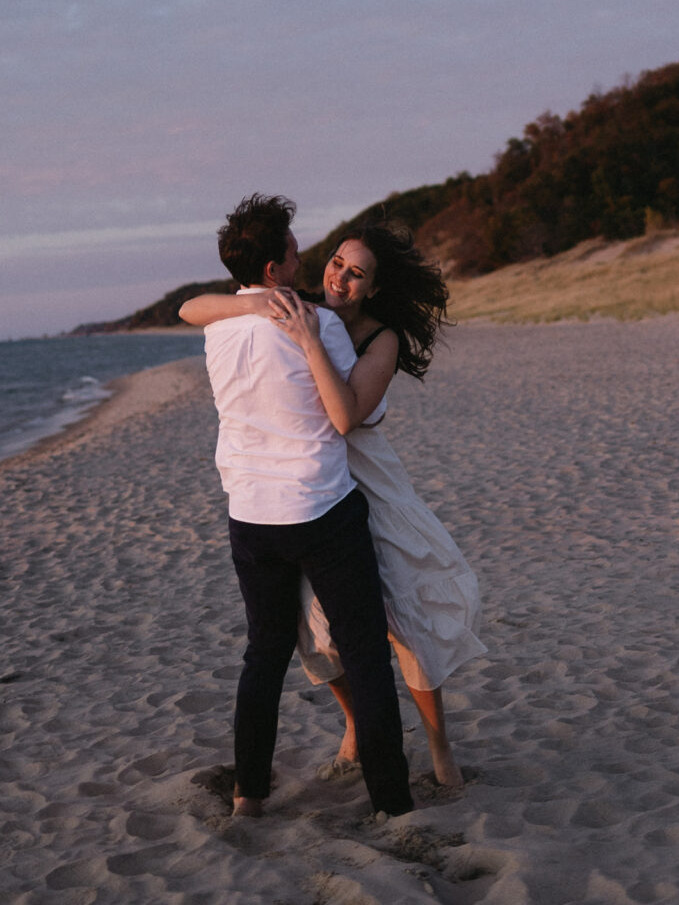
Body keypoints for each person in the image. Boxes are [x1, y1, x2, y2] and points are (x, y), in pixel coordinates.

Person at [181, 219, 486, 789]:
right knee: (317, 632)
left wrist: (306, 338)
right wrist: (257, 306)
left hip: (365, 483)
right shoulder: (296, 305)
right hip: (314, 490)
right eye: (337, 265)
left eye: (357, 274)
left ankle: (439, 745)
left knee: (406, 619)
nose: (340, 279)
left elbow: (345, 417)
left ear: (373, 288)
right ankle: (353, 725)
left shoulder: (379, 338)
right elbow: (193, 307)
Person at [190, 194, 413, 819]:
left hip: (250, 516)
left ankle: (247, 799)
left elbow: (195, 306)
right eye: (293, 250)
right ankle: (392, 805)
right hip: (320, 510)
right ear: (272, 271)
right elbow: (354, 412)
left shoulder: (216, 328)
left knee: (264, 654)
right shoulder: (322, 325)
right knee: (365, 654)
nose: (304, 256)